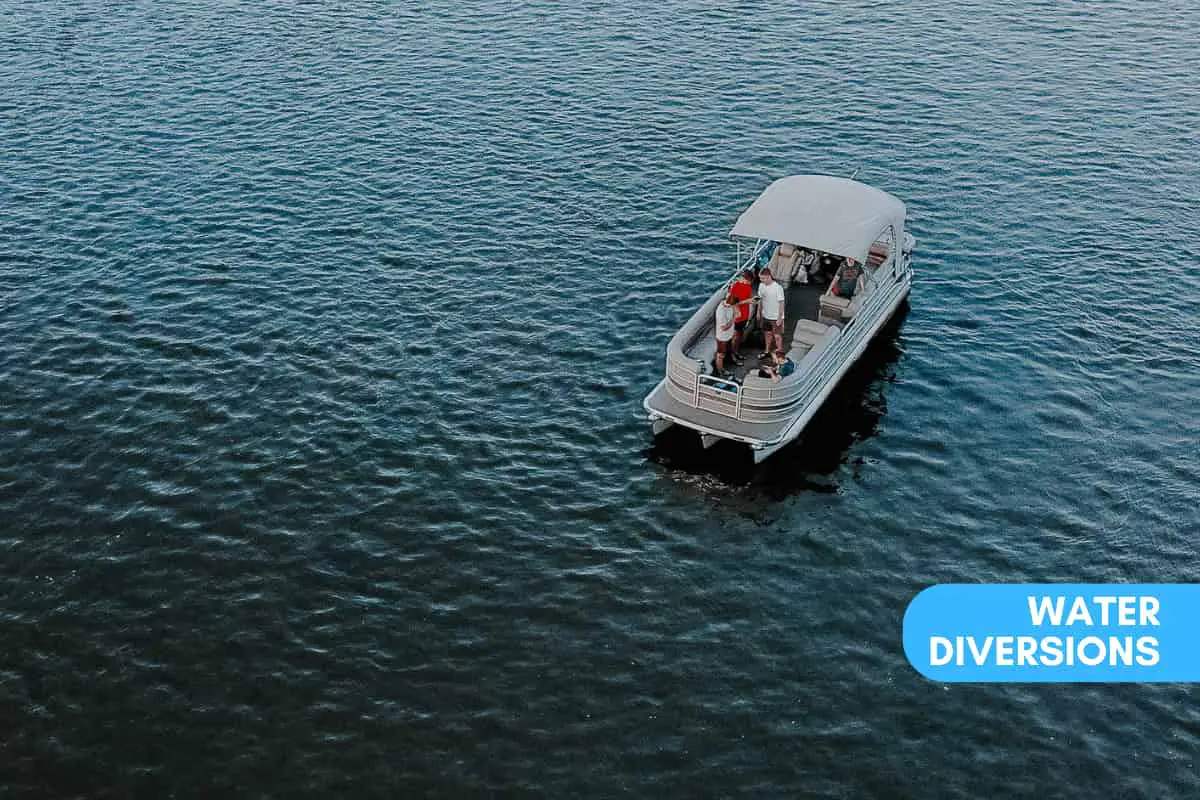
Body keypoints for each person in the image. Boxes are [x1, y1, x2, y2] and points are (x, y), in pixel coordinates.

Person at [757, 267, 786, 358]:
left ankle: (779, 353)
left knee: (777, 336)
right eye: (760, 278)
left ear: (769, 276)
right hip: (766, 315)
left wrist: (780, 317)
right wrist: (759, 312)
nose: (761, 280)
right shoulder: (761, 286)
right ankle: (767, 351)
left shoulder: (778, 288)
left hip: (775, 316)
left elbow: (781, 303)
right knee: (767, 334)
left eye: (763, 278)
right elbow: (760, 300)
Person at [728, 269, 755, 364]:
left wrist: (752, 300)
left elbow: (748, 298)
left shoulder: (748, 287)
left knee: (740, 335)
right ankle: (732, 356)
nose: (750, 283)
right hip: (737, 316)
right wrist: (748, 301)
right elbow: (732, 303)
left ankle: (736, 352)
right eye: (749, 281)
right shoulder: (735, 287)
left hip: (745, 315)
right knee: (735, 337)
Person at [713, 293, 737, 377]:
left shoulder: (730, 305)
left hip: (729, 335)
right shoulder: (721, 311)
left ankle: (727, 364)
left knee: (727, 351)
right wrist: (733, 319)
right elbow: (723, 327)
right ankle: (720, 371)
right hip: (722, 337)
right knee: (720, 355)